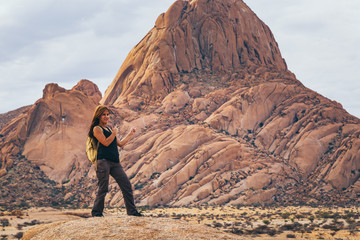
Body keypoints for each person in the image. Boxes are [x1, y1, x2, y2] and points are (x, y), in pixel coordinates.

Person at [88, 105, 142, 217]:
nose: (106, 117)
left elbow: (120, 143)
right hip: (103, 161)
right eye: (104, 114)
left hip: (115, 162)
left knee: (126, 184)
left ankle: (132, 212)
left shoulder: (108, 129)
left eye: (107, 114)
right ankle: (96, 213)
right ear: (98, 116)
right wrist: (114, 133)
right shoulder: (97, 129)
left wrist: (130, 134)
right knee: (103, 188)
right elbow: (105, 142)